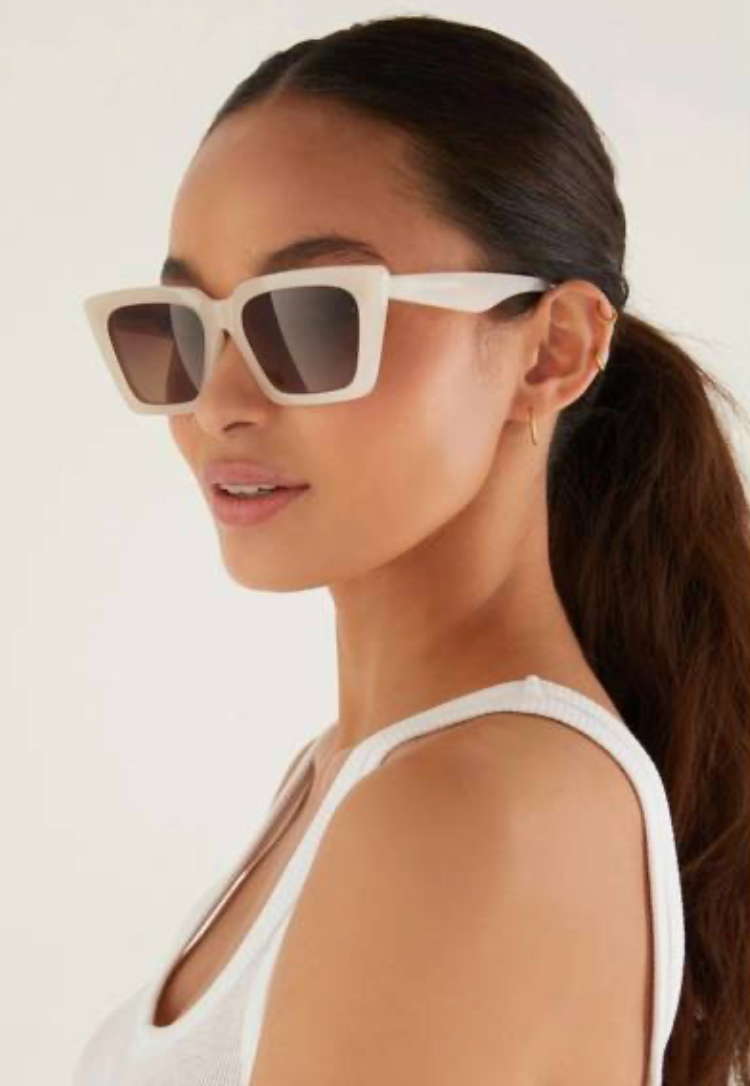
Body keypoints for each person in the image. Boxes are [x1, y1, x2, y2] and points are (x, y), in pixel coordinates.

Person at [76, 14, 750, 1086]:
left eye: (312, 318)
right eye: (183, 328)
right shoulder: (349, 775)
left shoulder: (471, 809)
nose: (217, 402)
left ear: (554, 350)